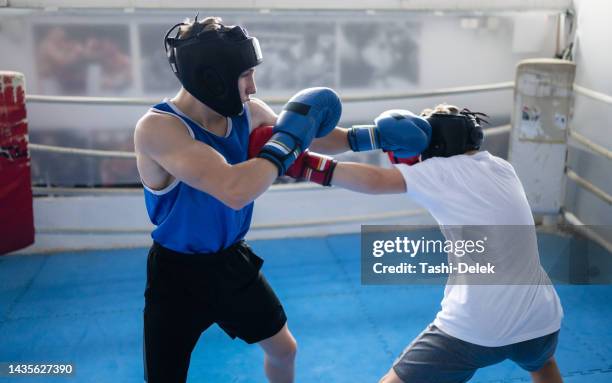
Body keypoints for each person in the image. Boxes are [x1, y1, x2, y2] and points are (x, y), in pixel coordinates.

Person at [133, 15, 419, 383]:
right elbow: (235, 189)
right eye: (244, 75)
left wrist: (372, 137)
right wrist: (282, 149)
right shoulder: (160, 129)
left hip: (230, 263)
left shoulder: (247, 113)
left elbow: (301, 135)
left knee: (285, 349)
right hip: (176, 274)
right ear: (213, 76)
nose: (253, 86)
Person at [260, 104, 564, 383]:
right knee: (542, 365)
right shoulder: (501, 167)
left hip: (478, 325)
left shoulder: (442, 172)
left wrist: (302, 165)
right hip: (541, 316)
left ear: (437, 144)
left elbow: (374, 182)